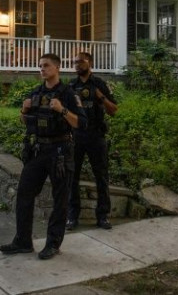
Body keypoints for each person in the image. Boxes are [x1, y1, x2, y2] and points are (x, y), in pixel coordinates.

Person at [0, 53, 87, 260]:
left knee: (60, 199)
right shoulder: (36, 92)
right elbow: (25, 121)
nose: (42, 69)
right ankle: (23, 241)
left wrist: (63, 110)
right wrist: (24, 109)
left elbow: (81, 124)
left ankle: (53, 244)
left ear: (57, 68)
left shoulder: (68, 94)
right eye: (40, 66)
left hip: (60, 152)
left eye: (46, 65)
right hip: (38, 150)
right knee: (24, 194)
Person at [66, 52, 118, 231]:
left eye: (81, 61)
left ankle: (102, 216)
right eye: (75, 62)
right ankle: (72, 216)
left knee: (101, 177)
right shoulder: (71, 85)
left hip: (96, 136)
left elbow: (114, 110)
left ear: (90, 63)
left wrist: (100, 97)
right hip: (76, 137)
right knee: (72, 177)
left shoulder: (99, 84)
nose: (77, 64)